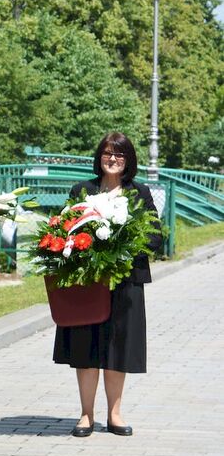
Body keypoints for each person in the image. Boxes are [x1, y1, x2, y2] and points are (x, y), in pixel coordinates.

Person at [54, 132, 162, 438]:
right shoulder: (82, 190)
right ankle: (86, 414)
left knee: (119, 348)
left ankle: (115, 413)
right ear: (99, 157)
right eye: (107, 153)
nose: (112, 159)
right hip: (87, 282)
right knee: (86, 346)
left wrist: (123, 246)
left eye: (119, 155)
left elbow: (155, 238)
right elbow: (64, 230)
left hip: (125, 282)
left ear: (128, 160)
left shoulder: (139, 193)